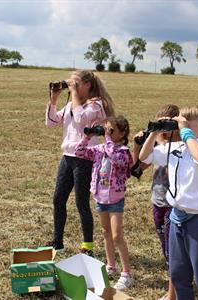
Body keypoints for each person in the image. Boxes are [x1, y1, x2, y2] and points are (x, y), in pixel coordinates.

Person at [139, 106, 198, 300]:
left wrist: (185, 132)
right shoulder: (177, 147)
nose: (180, 125)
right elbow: (145, 157)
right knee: (178, 274)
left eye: (187, 122)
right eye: (180, 122)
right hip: (176, 218)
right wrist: (154, 133)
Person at [45, 70, 115, 255]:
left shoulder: (96, 105)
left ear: (87, 85)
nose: (71, 86)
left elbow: (81, 119)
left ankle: (87, 245)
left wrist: (74, 94)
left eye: (75, 83)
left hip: (85, 158)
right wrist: (53, 100)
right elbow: (52, 122)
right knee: (58, 199)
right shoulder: (71, 104)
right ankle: (57, 241)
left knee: (81, 202)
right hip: (68, 156)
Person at [75, 116, 134, 290]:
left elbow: (117, 159)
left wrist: (107, 139)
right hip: (100, 197)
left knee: (116, 235)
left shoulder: (123, 151)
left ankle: (127, 273)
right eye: (106, 130)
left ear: (122, 134)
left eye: (111, 131)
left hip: (115, 199)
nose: (107, 134)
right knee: (106, 232)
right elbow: (79, 152)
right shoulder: (100, 149)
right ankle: (111, 265)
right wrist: (88, 136)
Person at [132, 104, 180, 300]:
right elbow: (137, 169)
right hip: (157, 201)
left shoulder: (179, 146)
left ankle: (172, 294)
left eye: (165, 126)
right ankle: (178, 282)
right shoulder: (157, 147)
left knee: (172, 249)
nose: (162, 131)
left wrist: (159, 139)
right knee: (165, 245)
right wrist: (138, 144)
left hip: (173, 204)